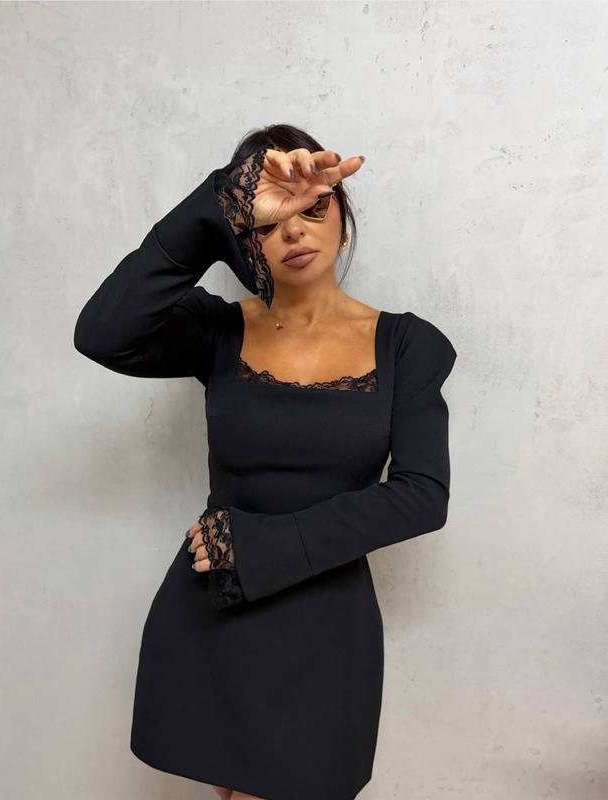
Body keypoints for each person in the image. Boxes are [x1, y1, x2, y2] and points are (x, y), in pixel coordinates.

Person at [73, 123, 458, 800]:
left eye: (313, 208)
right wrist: (219, 202)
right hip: (214, 612)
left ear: (343, 214)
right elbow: (103, 333)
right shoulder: (217, 330)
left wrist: (264, 546)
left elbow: (422, 495)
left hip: (324, 625)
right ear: (244, 236)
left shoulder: (407, 344)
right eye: (269, 221)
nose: (295, 232)